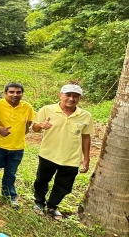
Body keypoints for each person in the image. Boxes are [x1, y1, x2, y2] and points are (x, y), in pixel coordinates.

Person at [31, 84, 93, 220]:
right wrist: (41, 125)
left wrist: (86, 158)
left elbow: (86, 137)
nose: (71, 99)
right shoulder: (47, 110)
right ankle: (39, 203)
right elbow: (34, 128)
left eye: (75, 96)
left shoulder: (85, 116)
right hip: (48, 154)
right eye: (68, 95)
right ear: (60, 95)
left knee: (64, 186)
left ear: (80, 98)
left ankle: (52, 206)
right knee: (42, 180)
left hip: (71, 158)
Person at [0, 83, 35, 208]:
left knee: (11, 173)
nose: (15, 94)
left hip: (17, 147)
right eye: (11, 92)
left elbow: (29, 124)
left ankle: (9, 196)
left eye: (18, 92)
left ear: (22, 94)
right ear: (5, 93)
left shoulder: (27, 107)